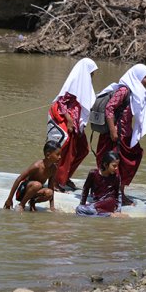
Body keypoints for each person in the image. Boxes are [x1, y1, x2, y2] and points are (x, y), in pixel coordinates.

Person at [95, 64, 146, 205]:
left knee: (131, 161)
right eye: (145, 77)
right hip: (116, 136)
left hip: (126, 135)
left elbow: (139, 110)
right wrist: (112, 130)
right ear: (137, 77)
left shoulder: (138, 92)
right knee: (113, 165)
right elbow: (109, 108)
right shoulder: (124, 90)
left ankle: (118, 192)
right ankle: (112, 193)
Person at [48, 57, 97, 192]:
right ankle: (57, 182)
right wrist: (69, 119)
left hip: (77, 125)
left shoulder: (85, 86)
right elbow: (61, 102)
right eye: (91, 73)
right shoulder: (75, 84)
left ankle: (66, 176)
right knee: (66, 153)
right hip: (70, 124)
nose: (92, 76)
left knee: (83, 150)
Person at [4, 140, 62, 212]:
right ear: (48, 155)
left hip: (35, 192)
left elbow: (51, 186)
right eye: (57, 154)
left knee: (49, 192)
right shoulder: (37, 166)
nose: (60, 157)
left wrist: (52, 207)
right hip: (23, 191)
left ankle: (32, 202)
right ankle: (21, 205)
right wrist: (9, 199)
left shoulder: (53, 169)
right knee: (37, 185)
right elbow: (19, 179)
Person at [76, 151, 127, 217]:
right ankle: (106, 215)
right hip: (98, 203)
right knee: (80, 209)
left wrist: (118, 211)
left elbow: (119, 194)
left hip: (109, 201)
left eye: (117, 165)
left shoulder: (116, 177)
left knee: (79, 210)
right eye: (114, 166)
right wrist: (82, 204)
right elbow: (85, 189)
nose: (116, 168)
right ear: (105, 165)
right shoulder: (93, 173)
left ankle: (106, 214)